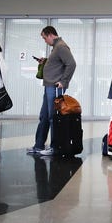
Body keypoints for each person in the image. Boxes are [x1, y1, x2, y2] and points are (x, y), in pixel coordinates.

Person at [27, 26, 76, 156]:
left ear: (50, 35)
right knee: (44, 116)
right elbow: (58, 64)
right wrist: (46, 61)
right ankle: (39, 146)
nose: (44, 41)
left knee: (53, 117)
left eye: (44, 38)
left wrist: (63, 81)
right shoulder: (56, 47)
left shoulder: (61, 47)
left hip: (54, 87)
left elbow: (71, 64)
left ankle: (55, 147)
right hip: (49, 86)